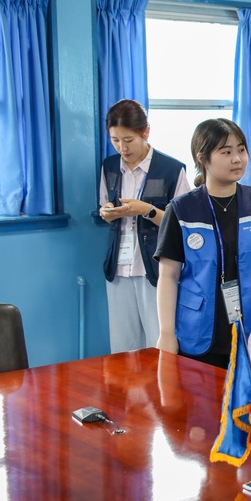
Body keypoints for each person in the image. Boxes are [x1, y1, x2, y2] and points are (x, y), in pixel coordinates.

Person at [155, 118, 251, 369]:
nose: (237, 159)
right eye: (226, 152)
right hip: (196, 331)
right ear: (202, 158)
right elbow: (168, 276)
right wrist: (166, 333)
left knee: (248, 405)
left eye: (241, 150)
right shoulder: (181, 209)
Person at [98, 99, 190, 353]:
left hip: (155, 268)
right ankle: (124, 394)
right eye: (115, 140)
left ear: (145, 132)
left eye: (128, 140)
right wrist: (106, 212)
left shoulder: (171, 169)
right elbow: (103, 205)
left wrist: (146, 211)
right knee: (122, 346)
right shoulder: (109, 167)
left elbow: (183, 225)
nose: (122, 147)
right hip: (118, 266)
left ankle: (160, 393)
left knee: (157, 343)